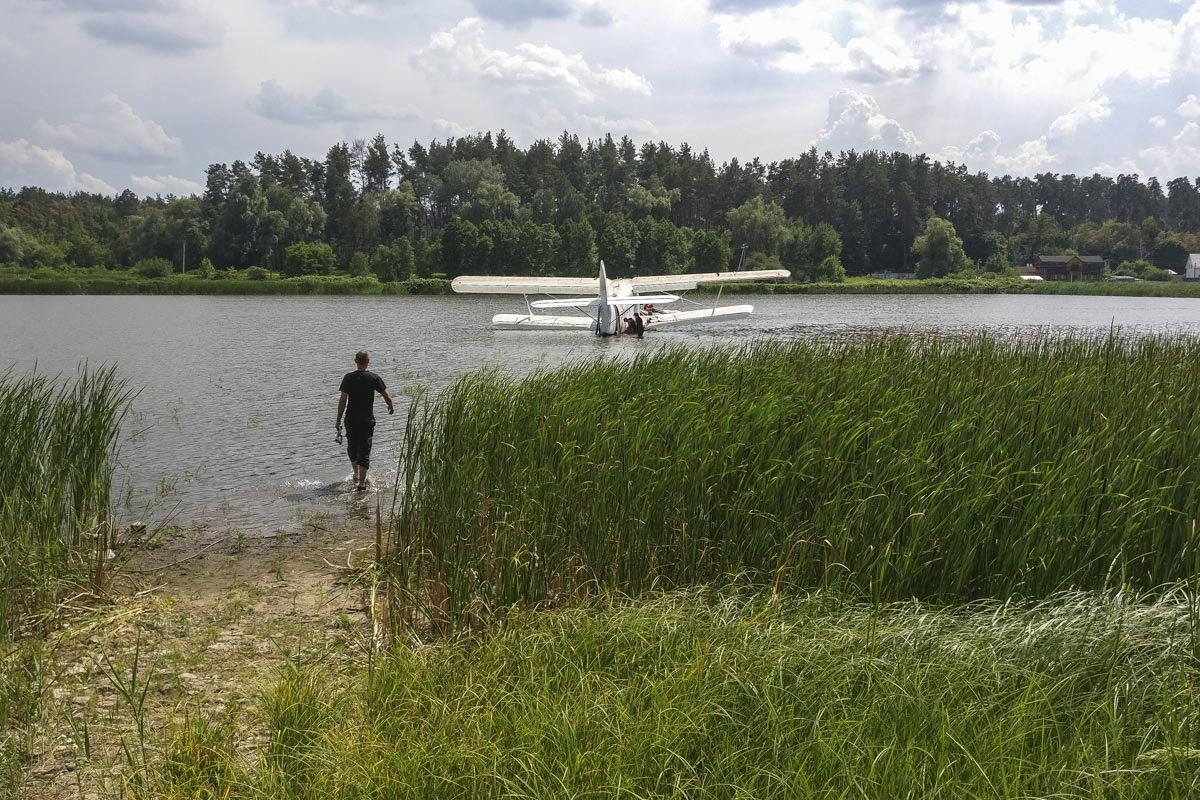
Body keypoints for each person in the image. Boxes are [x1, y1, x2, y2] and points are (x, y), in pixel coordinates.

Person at [335, 350, 394, 491]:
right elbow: (386, 396)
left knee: (352, 448)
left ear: (355, 361)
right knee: (364, 450)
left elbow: (343, 400)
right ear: (368, 362)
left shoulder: (348, 378)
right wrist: (390, 406)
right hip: (367, 420)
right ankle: (361, 484)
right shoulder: (374, 378)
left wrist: (338, 420)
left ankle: (356, 475)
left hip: (351, 419)